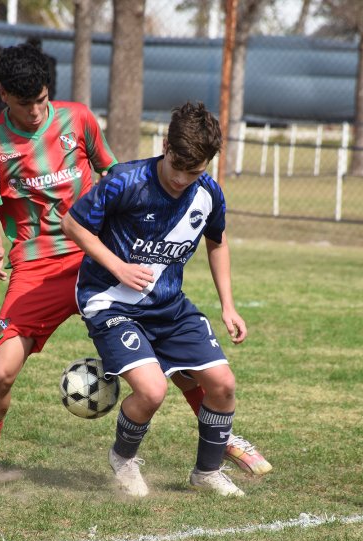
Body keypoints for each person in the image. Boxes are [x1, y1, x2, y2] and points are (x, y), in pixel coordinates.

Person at [0, 45, 271, 479]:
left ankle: (223, 437)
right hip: (39, 267)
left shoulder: (79, 120)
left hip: (108, 259)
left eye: (42, 99)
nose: (36, 111)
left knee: (177, 364)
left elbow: (117, 178)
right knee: (1, 370)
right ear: (5, 98)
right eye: (24, 102)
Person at [61, 101, 248, 497]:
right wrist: (119, 267)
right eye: (176, 165)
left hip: (167, 304)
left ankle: (206, 473)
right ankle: (123, 459)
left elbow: (218, 243)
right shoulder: (125, 181)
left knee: (223, 384)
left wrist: (228, 305)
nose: (181, 178)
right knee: (151, 391)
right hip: (109, 299)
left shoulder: (208, 194)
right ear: (164, 143)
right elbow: (73, 224)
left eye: (193, 171)